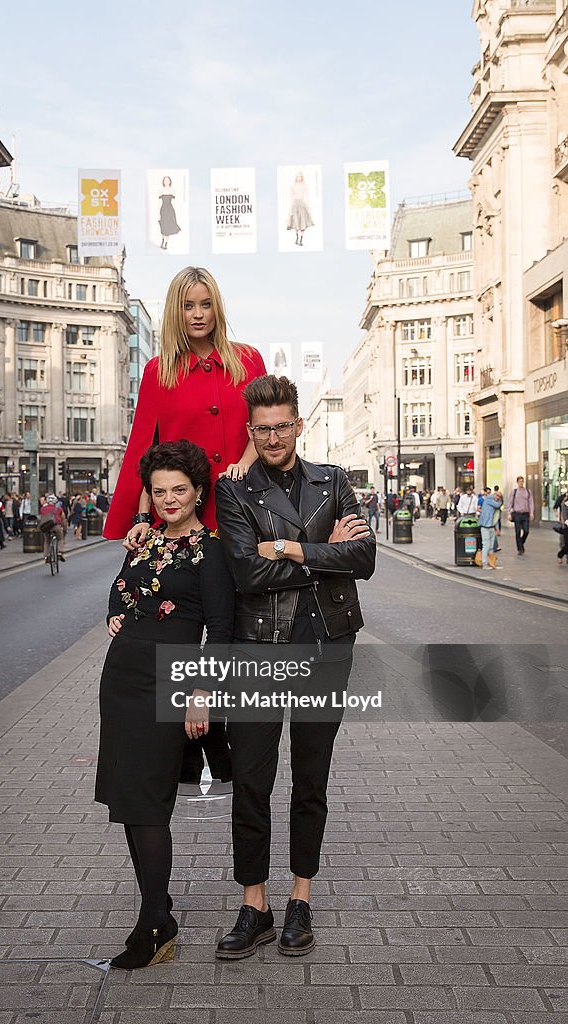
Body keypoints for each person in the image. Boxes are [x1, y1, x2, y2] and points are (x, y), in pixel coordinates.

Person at [214, 375, 375, 960]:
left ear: (299, 425)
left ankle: (299, 899)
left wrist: (285, 547)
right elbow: (245, 575)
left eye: (283, 425)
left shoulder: (333, 480)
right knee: (252, 782)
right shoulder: (233, 489)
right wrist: (323, 550)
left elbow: (364, 557)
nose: (275, 436)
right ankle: (254, 905)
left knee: (311, 779)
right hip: (259, 649)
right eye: (263, 428)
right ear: (250, 433)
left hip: (327, 644)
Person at [95, 441, 234, 969]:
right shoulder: (143, 541)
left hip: (171, 681)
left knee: (150, 804)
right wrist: (114, 612)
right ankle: (159, 909)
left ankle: (155, 923)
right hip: (122, 679)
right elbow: (122, 589)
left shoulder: (212, 549)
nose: (169, 499)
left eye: (179, 489)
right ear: (148, 497)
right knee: (131, 801)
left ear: (199, 491)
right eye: (159, 491)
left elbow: (220, 629)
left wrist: (201, 691)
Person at [103, 266, 267, 543]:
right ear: (175, 313)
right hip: (183, 516)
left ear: (217, 308)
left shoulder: (249, 360)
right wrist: (143, 516)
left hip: (246, 506)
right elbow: (146, 452)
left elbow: (264, 426)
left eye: (206, 304)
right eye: (187, 306)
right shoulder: (158, 371)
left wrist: (244, 463)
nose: (198, 314)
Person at [286, 172, 314, 246]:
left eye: (300, 176)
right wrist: (290, 208)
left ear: (302, 177)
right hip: (295, 204)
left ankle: (301, 239)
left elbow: (307, 197)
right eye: (297, 176)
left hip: (302, 204)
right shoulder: (292, 186)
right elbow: (291, 197)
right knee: (296, 222)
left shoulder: (305, 186)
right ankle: (297, 238)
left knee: (302, 222)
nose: (299, 178)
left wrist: (309, 207)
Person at [509, 475, 534, 555]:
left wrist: (531, 513)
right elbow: (510, 503)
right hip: (517, 514)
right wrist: (509, 513)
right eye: (519, 481)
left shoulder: (527, 491)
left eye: (522, 481)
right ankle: (520, 548)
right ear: (517, 482)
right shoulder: (514, 491)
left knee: (526, 531)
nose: (521, 483)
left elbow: (531, 503)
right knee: (518, 532)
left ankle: (521, 543)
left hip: (525, 514)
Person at [478, 488, 502, 570]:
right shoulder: (489, 499)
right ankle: (484, 563)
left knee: (491, 546)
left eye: (500, 496)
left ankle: (491, 563)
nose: (498, 497)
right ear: (494, 494)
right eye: (497, 495)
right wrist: (500, 502)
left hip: (491, 526)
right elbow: (498, 505)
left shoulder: (494, 501)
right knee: (486, 545)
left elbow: (495, 517)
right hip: (485, 526)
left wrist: (497, 528)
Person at [39, 494, 66, 561]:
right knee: (60, 539)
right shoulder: (58, 509)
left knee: (47, 541)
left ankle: (46, 556)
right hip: (56, 526)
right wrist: (64, 527)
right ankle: (60, 552)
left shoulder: (42, 509)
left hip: (46, 527)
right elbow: (63, 519)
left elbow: (41, 518)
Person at [158, 175, 181, 250]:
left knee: (168, 227)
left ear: (170, 181)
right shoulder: (161, 190)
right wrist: (158, 213)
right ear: (163, 182)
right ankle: (162, 241)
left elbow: (174, 202)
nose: (166, 182)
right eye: (165, 180)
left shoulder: (172, 190)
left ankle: (166, 243)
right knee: (163, 226)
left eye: (168, 180)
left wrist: (175, 212)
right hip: (163, 210)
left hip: (170, 210)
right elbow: (159, 202)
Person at [555, 489, 568, 565]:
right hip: (566, 526)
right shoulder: (564, 503)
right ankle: (560, 554)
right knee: (567, 545)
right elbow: (565, 516)